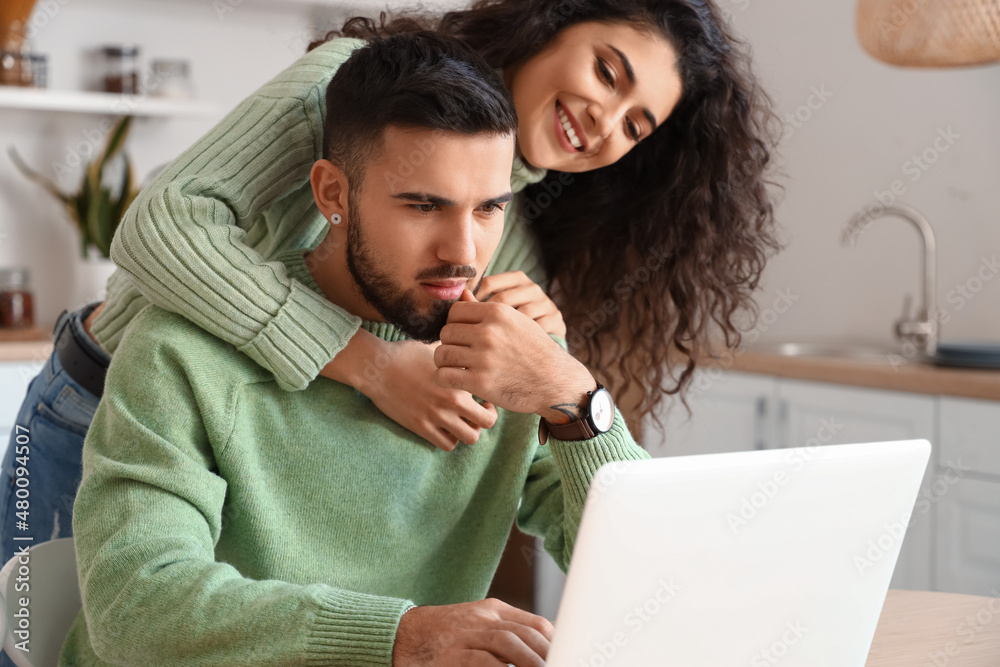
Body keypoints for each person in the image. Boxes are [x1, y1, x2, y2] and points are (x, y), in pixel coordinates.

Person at [0, 0, 781, 580]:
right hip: (104, 404)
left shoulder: (522, 252)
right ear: (552, 21)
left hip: (251, 461)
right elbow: (162, 227)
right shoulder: (346, 90)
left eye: (636, 125)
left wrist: (554, 377)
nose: (604, 119)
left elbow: (526, 463)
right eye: (608, 71)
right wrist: (371, 363)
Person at [57, 31, 649, 666]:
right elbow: (134, 609)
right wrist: (402, 637)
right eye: (424, 205)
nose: (465, 253)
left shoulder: (507, 361)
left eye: (489, 209)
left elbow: (649, 567)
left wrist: (574, 398)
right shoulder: (181, 350)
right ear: (331, 194)